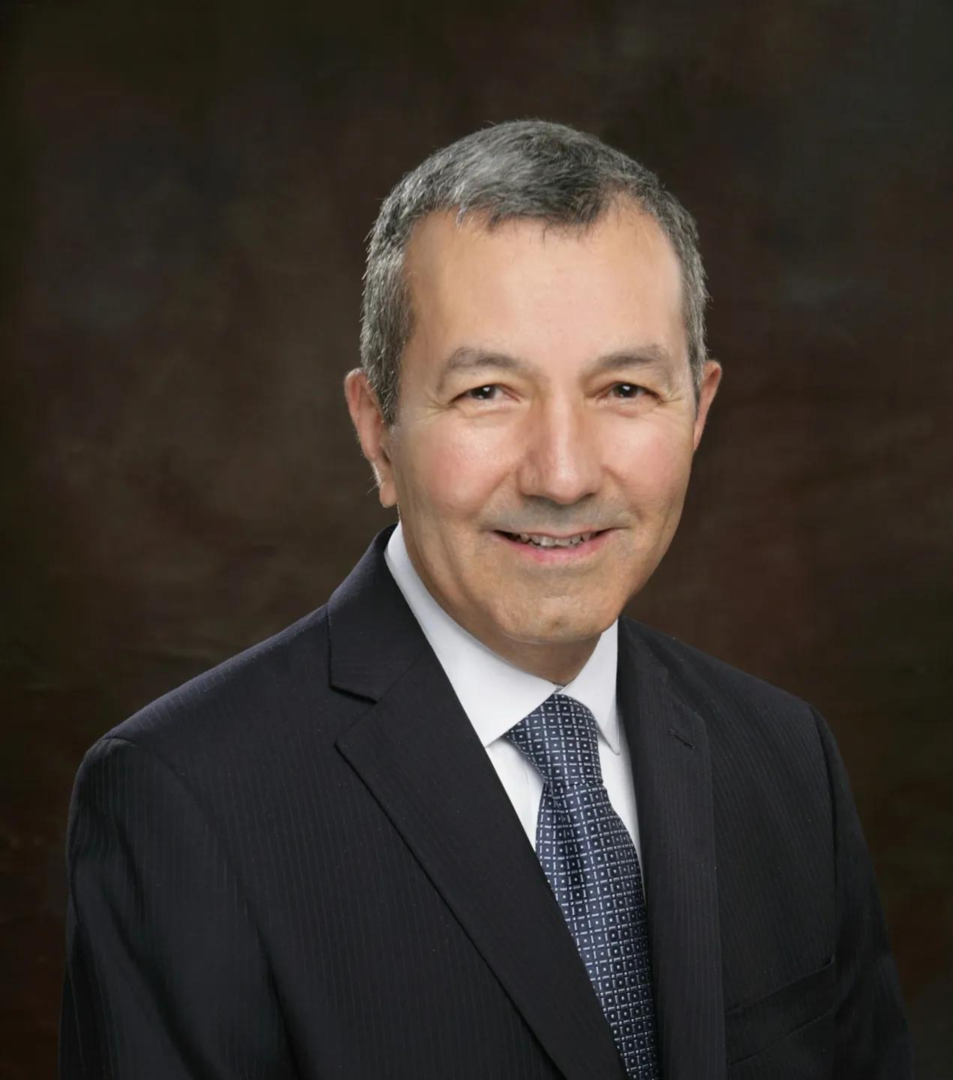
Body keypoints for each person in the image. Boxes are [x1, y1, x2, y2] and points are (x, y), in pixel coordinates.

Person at [59, 120, 913, 1080]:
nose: (560, 472)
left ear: (698, 410)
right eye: (487, 394)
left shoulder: (785, 759)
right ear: (378, 430)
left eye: (625, 389)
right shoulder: (184, 804)